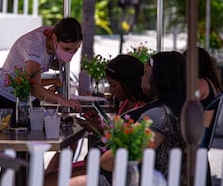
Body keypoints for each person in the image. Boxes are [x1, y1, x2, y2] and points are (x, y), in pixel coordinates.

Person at [69, 51, 187, 186]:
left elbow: (117, 158)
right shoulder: (180, 108)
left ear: (158, 78)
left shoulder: (157, 115)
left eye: (145, 73)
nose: (141, 78)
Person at [44, 54, 150, 184]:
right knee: (46, 177)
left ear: (128, 82)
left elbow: (125, 147)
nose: (111, 91)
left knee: (46, 180)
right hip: (99, 163)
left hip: (110, 169)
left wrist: (99, 129)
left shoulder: (142, 110)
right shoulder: (126, 104)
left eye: (114, 86)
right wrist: (98, 125)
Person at [0, 17, 83, 119]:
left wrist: (55, 78)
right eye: (67, 49)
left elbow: (43, 67)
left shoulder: (53, 34)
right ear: (54, 39)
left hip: (28, 99)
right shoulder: (34, 46)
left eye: (75, 50)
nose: (71, 53)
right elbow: (32, 87)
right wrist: (61, 100)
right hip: (5, 99)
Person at [184, 47, 223, 147]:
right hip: (202, 132)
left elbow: (185, 103)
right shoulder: (209, 81)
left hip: (198, 134)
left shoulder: (200, 83)